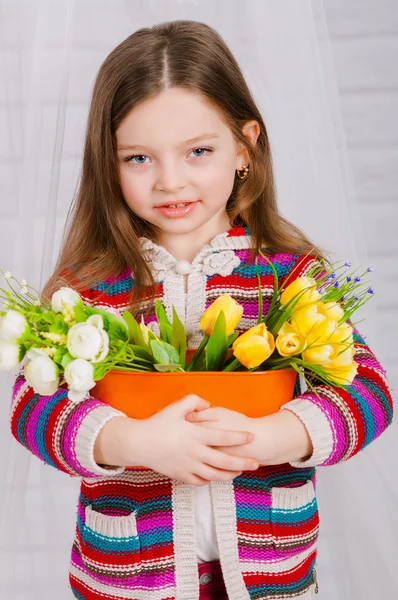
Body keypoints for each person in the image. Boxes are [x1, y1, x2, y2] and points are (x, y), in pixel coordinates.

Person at [9, 20, 394, 600]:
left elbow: (367, 391)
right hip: (130, 573)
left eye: (198, 151)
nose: (170, 181)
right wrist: (132, 443)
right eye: (138, 158)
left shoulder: (290, 276)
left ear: (244, 146)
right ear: (106, 163)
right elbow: (31, 406)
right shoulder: (85, 288)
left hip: (273, 571)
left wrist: (272, 437)